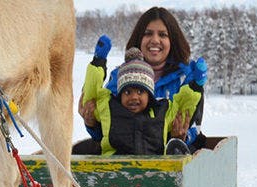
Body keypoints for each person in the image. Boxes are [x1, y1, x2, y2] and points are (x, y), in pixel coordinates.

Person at [75, 7, 208, 154]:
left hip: (172, 164)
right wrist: (91, 123)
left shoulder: (186, 79)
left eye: (163, 35)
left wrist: (179, 139)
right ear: (139, 38)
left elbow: (195, 129)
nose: (155, 40)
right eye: (148, 33)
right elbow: (104, 131)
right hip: (123, 162)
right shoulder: (120, 76)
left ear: (172, 40)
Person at [81, 46, 200, 156]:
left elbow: (183, 108)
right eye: (127, 92)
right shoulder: (109, 108)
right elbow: (92, 95)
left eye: (140, 92)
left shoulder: (162, 112)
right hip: (114, 170)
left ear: (149, 95)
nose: (134, 97)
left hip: (154, 171)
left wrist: (196, 86)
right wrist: (98, 62)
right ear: (120, 94)